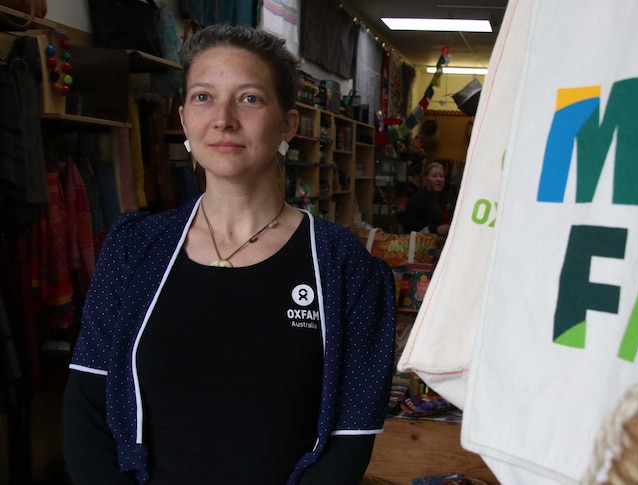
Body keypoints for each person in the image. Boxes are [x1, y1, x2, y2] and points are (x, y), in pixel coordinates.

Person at [62, 25, 395, 485]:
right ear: (183, 119)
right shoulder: (135, 247)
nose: (223, 119)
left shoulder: (345, 266)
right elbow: (87, 405)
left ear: (288, 124)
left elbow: (351, 435)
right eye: (203, 97)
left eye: (250, 98)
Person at [402, 162, 451, 235]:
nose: (439, 179)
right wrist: (435, 229)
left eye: (441, 176)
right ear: (425, 180)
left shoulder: (441, 200)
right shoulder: (418, 199)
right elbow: (409, 224)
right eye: (434, 176)